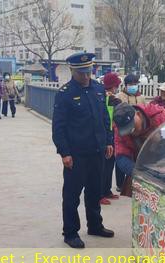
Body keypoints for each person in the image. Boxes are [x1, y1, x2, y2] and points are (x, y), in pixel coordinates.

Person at [52, 52, 115, 249]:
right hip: (76, 155)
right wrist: (64, 153)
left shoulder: (98, 89)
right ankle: (70, 232)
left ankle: (95, 225)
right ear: (72, 71)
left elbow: (105, 117)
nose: (86, 76)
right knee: (72, 195)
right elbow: (58, 127)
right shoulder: (65, 94)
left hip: (97, 151)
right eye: (81, 73)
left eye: (88, 72)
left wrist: (109, 141)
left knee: (94, 191)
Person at [101, 72, 123, 205]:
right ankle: (99, 193)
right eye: (116, 86)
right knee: (102, 166)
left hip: (112, 134)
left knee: (109, 165)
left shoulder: (114, 99)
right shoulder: (101, 98)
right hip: (103, 135)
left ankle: (107, 190)